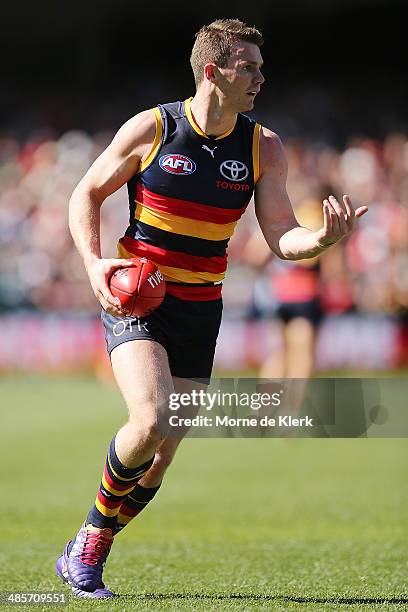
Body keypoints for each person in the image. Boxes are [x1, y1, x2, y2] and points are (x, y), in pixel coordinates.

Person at [56, 18, 368, 598]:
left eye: (259, 66)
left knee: (161, 458)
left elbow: (281, 234)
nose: (259, 77)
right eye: (247, 67)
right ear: (212, 72)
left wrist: (321, 240)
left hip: (202, 308)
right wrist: (94, 263)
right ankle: (91, 545)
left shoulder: (262, 146)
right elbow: (86, 194)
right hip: (140, 293)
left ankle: (88, 540)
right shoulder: (152, 128)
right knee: (150, 420)